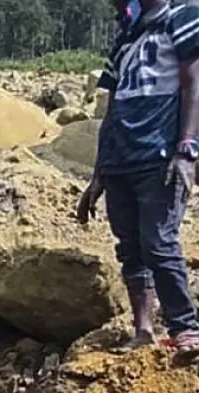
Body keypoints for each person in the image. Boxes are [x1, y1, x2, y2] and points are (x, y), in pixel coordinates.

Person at [77, 0, 199, 354]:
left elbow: (194, 83)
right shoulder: (127, 36)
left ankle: (185, 327)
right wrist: (98, 173)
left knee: (158, 242)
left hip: (158, 154)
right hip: (120, 159)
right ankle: (143, 329)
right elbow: (113, 108)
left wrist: (187, 148)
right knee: (130, 248)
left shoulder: (183, 16)